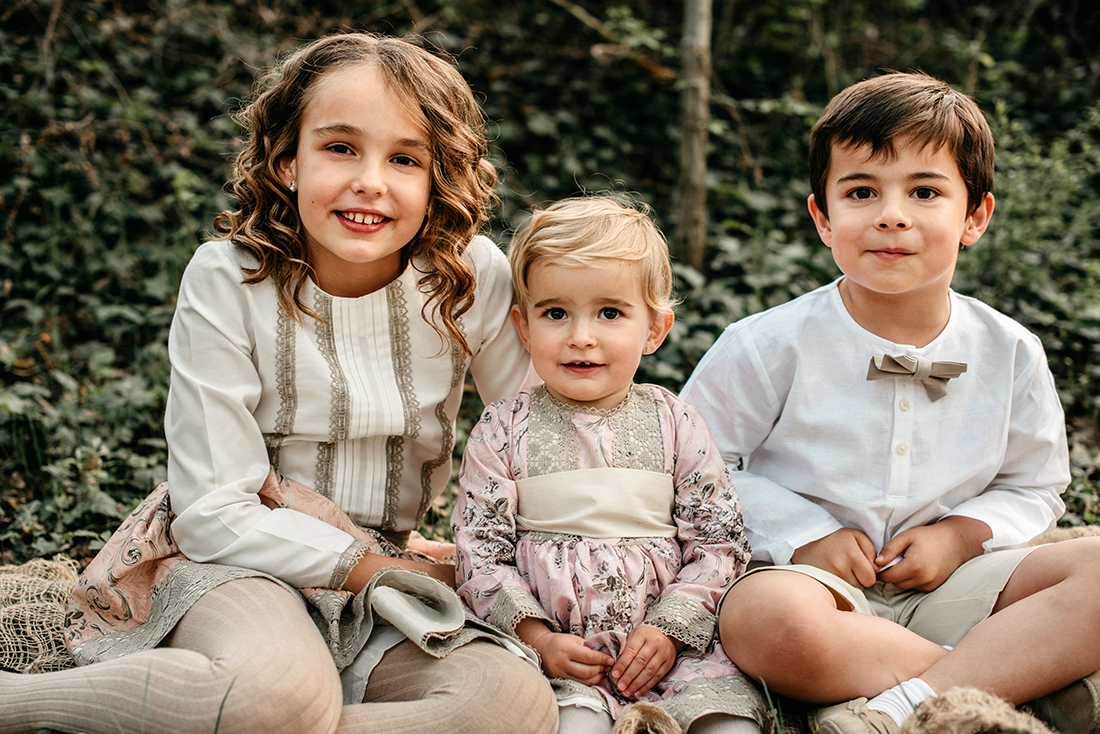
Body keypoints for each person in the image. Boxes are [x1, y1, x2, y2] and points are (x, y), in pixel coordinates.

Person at [0, 32, 557, 734]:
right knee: (274, 698)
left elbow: (538, 446)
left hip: (384, 568)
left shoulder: (467, 277)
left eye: (406, 158)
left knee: (511, 704)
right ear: (287, 160)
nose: (371, 182)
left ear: (437, 178)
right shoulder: (228, 277)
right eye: (340, 147)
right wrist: (374, 569)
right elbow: (212, 513)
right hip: (237, 561)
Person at [680, 71, 1100, 734]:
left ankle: (896, 706)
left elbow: (1036, 482)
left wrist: (960, 538)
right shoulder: (767, 344)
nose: (891, 213)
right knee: (763, 622)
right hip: (817, 594)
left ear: (975, 217)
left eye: (925, 191)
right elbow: (695, 466)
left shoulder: (1010, 350)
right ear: (823, 216)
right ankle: (1002, 681)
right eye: (861, 191)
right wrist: (804, 534)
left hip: (957, 588)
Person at [453, 195, 769, 734]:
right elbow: (480, 552)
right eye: (555, 313)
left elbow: (718, 542)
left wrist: (672, 629)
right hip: (561, 658)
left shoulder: (675, 422)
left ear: (654, 329)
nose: (581, 336)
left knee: (727, 728)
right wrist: (539, 638)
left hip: (675, 651)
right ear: (523, 328)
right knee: (575, 726)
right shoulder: (503, 428)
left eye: (610, 313)